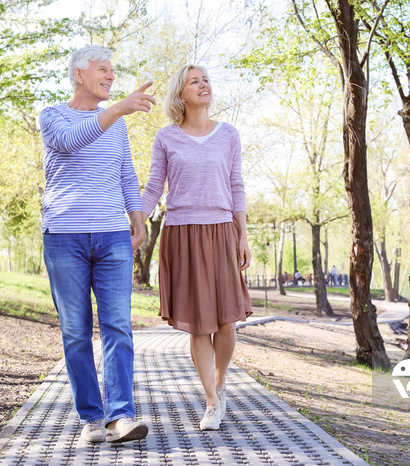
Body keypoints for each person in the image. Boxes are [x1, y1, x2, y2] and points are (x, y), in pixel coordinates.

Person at [39, 45, 155, 443]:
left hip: (112, 236)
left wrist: (137, 218)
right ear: (79, 75)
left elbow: (125, 171)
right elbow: (71, 141)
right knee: (75, 332)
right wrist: (120, 108)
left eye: (113, 70)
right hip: (64, 236)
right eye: (103, 69)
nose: (110, 76)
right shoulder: (52, 115)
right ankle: (92, 418)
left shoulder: (116, 123)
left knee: (118, 327)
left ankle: (121, 417)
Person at [140, 64, 252, 431]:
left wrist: (243, 234)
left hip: (221, 231)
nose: (203, 85)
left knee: (225, 321)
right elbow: (155, 185)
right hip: (182, 232)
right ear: (181, 94)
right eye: (195, 81)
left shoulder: (228, 135)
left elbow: (236, 185)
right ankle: (211, 400)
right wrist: (137, 217)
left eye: (206, 79)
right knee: (199, 326)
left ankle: (221, 381)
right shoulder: (166, 138)